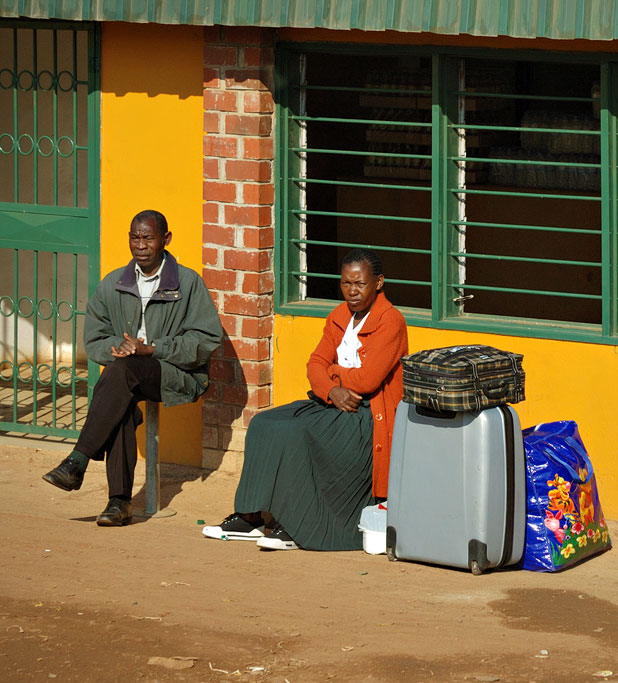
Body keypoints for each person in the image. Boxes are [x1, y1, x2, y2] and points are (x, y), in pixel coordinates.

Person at [202, 249, 408, 550]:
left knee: (295, 434)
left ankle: (295, 526)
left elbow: (368, 381)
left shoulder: (390, 322)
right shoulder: (339, 317)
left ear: (378, 283)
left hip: (366, 416)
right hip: (333, 402)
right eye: (346, 283)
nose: (352, 291)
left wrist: (333, 374)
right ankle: (250, 518)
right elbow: (314, 365)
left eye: (360, 284)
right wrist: (332, 390)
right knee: (263, 423)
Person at [41, 210, 222, 526]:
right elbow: (94, 336)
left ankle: (77, 461)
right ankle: (119, 503)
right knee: (120, 392)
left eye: (148, 238)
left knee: (121, 375)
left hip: (175, 373)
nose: (140, 245)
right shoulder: (113, 283)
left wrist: (152, 349)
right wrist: (116, 348)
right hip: (126, 372)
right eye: (134, 237)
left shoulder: (189, 282)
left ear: (165, 240)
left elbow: (206, 340)